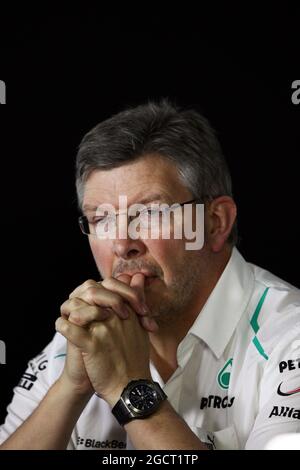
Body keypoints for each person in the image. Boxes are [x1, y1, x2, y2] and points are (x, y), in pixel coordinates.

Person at [0, 100, 299, 450]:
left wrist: (128, 386)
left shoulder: (290, 338)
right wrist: (71, 388)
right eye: (101, 219)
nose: (122, 244)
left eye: (152, 212)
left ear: (216, 223)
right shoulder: (79, 339)